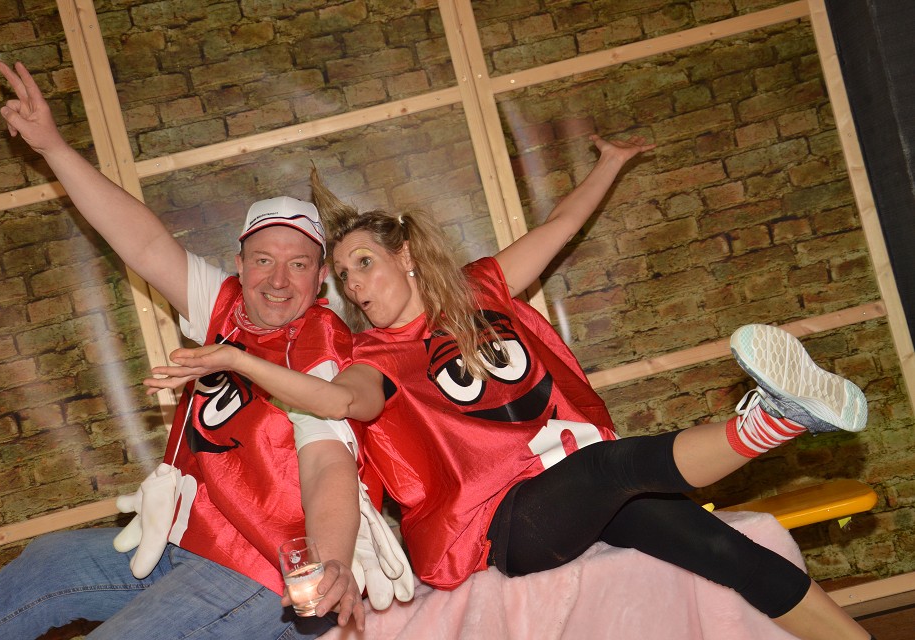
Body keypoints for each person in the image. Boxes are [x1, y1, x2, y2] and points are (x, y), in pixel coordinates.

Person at [142, 139, 874, 636]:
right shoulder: (372, 358)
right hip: (502, 523)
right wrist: (235, 360)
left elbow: (561, 225)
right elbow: (333, 401)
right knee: (611, 465)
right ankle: (774, 421)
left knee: (724, 550)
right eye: (343, 278)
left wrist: (609, 165)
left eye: (363, 264)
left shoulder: (479, 291)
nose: (354, 287)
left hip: (575, 490)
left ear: (405, 256)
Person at [0, 61, 371, 640]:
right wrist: (52, 147)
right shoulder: (226, 307)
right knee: (48, 564)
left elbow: (328, 461)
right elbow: (145, 243)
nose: (278, 280)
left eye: (298, 264)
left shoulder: (319, 343)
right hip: (188, 541)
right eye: (263, 260)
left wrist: (330, 564)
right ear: (240, 264)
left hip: (261, 567)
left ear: (321, 279)